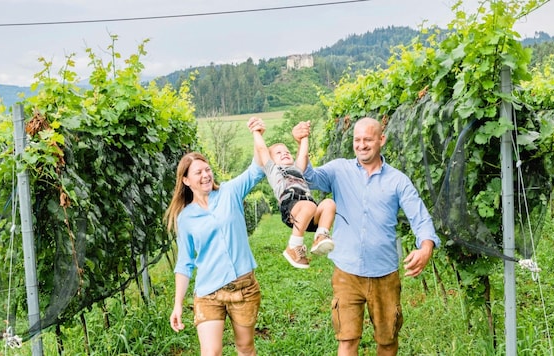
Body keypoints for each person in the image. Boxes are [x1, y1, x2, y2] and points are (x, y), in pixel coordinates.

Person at [293, 117, 440, 356]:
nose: (361, 145)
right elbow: (307, 176)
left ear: (381, 140)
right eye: (357, 140)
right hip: (347, 273)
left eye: (368, 139)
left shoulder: (398, 181)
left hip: (384, 274)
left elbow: (420, 217)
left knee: (387, 340)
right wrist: (303, 142)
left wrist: (425, 247)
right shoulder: (338, 170)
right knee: (347, 339)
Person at [165, 117, 266, 356]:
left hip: (244, 289)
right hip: (208, 294)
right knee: (210, 352)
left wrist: (257, 134)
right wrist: (178, 304)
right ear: (186, 180)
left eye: (208, 169)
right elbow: (185, 263)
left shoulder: (230, 192)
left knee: (245, 348)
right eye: (198, 172)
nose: (206, 175)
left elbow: (258, 169)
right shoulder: (185, 218)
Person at [250, 118, 336, 269]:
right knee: (309, 206)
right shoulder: (273, 170)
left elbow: (303, 155)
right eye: (278, 153)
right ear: (271, 159)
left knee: (329, 203)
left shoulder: (297, 169)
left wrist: (304, 137)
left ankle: (321, 235)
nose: (284, 154)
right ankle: (293, 246)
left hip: (309, 211)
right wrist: (256, 132)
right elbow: (262, 150)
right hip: (291, 207)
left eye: (287, 152)